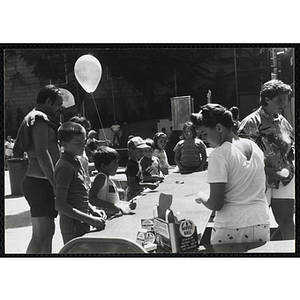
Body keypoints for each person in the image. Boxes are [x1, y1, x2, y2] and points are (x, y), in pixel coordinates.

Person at [191, 103, 270, 245]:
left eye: (205, 133)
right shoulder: (255, 147)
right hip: (260, 222)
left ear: (219, 128)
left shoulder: (219, 155)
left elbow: (216, 204)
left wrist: (201, 196)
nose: (204, 139)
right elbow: (263, 187)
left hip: (230, 226)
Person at [237, 79, 294, 240]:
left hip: (285, 180)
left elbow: (291, 146)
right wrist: (268, 172)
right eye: (279, 100)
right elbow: (240, 158)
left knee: (287, 222)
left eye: (285, 100)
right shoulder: (250, 123)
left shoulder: (283, 121)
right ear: (267, 99)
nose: (283, 103)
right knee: (258, 225)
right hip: (259, 181)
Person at [13, 85, 63, 253]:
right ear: (48, 101)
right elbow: (42, 154)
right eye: (57, 104)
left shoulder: (38, 117)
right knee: (41, 235)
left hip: (43, 182)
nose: (59, 109)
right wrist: (55, 183)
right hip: (40, 182)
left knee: (48, 233)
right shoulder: (39, 119)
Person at [54, 122, 106, 244]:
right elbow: (60, 205)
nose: (83, 146)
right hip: (73, 226)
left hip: (83, 220)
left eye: (84, 142)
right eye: (78, 144)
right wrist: (91, 219)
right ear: (64, 144)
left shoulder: (76, 161)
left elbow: (79, 193)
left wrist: (92, 210)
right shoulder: (65, 167)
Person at [89, 146, 137, 218]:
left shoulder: (108, 179)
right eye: (114, 163)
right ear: (103, 166)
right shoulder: (101, 177)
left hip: (113, 216)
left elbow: (114, 202)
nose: (117, 166)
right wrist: (111, 206)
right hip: (105, 217)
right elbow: (91, 198)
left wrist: (128, 205)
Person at [125, 136, 159, 200]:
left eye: (144, 150)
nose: (143, 153)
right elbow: (131, 184)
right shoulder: (132, 165)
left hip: (140, 191)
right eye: (140, 151)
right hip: (134, 194)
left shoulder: (137, 162)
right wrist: (148, 185)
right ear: (132, 150)